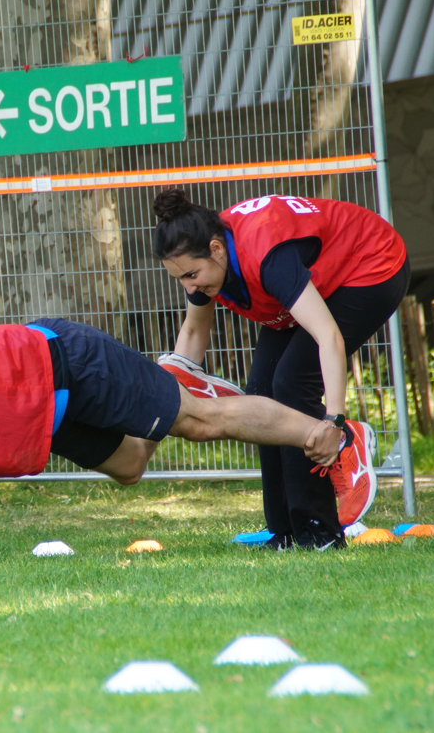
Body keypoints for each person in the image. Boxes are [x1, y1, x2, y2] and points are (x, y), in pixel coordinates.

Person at [0, 319, 363, 570]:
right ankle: (167, 377)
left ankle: (324, 434)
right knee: (130, 465)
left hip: (64, 363)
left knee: (198, 423)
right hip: (38, 412)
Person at [152, 189, 410, 550]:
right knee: (260, 392)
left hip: (371, 263)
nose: (190, 287)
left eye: (192, 275)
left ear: (216, 248)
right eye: (180, 279)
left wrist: (333, 421)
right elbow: (194, 332)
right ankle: (285, 533)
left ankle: (322, 527)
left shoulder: (267, 256)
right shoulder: (199, 259)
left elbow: (328, 338)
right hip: (319, 276)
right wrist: (174, 397)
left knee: (291, 383)